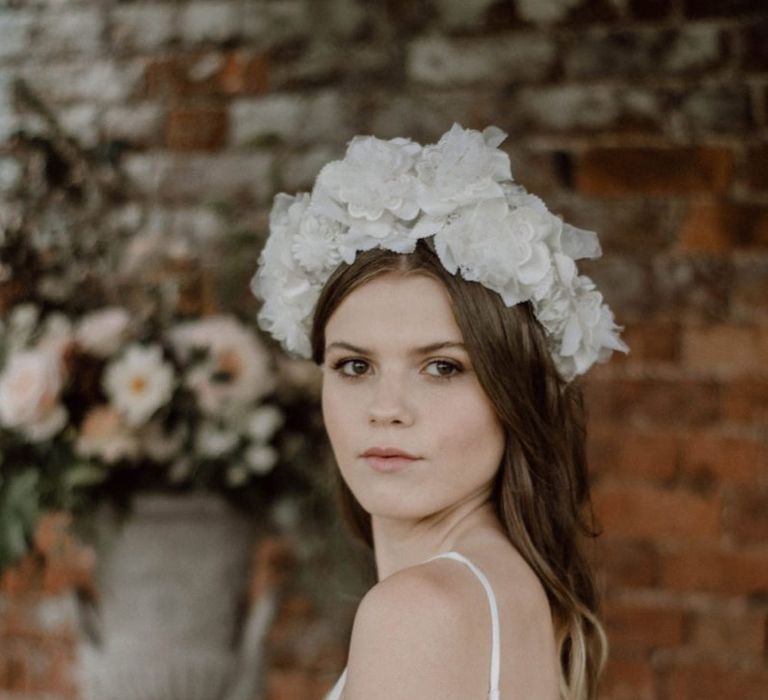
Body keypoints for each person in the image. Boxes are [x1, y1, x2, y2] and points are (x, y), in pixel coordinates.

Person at [251, 124, 628, 700]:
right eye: (355, 367)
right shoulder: (512, 592)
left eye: (443, 367)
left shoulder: (418, 612)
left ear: (512, 392)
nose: (387, 410)